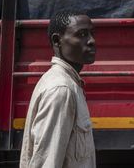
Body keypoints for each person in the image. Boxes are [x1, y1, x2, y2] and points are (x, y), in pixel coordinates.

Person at [20, 9, 98, 168]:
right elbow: (47, 162)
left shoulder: (68, 83)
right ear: (57, 41)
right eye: (82, 34)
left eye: (91, 34)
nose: (91, 41)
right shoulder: (61, 89)